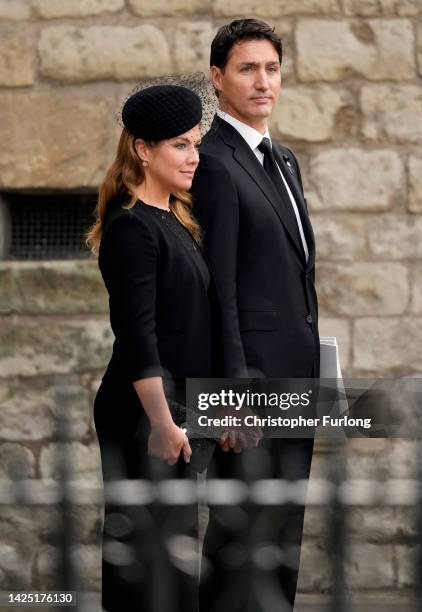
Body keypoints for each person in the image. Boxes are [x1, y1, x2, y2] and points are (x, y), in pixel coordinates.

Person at [190, 19, 320, 611]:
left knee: (280, 539)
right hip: (250, 391)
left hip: (296, 382)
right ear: (218, 79)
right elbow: (219, 289)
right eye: (247, 69)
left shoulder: (283, 158)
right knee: (242, 538)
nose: (262, 81)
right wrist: (233, 396)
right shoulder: (213, 162)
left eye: (271, 68)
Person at [86, 84, 222, 612]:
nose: (194, 157)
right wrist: (163, 422)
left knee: (172, 559)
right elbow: (138, 335)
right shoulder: (132, 228)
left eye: (196, 144)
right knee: (146, 563)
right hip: (145, 413)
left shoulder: (175, 219)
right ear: (143, 150)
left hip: (180, 408)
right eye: (181, 146)